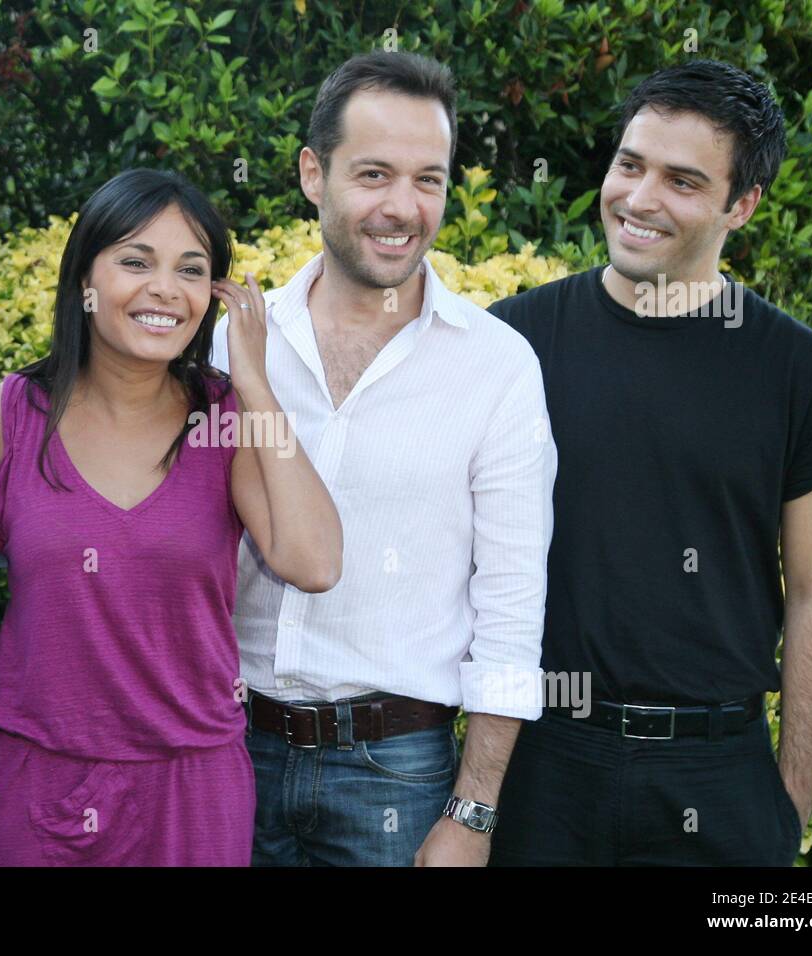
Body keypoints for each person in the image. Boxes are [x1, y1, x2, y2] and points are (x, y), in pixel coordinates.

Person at [487, 60, 812, 866]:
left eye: (684, 182)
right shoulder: (510, 344)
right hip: (545, 765)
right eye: (631, 164)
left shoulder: (801, 373)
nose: (640, 198)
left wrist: (785, 809)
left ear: (742, 205)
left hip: (719, 774)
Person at [211, 52, 557, 867]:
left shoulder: (497, 368)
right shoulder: (231, 342)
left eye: (428, 180)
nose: (402, 208)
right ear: (312, 173)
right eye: (373, 174)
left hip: (396, 773)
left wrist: (472, 814)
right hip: (228, 752)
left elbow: (510, 612)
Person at [0, 168, 342, 866]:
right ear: (85, 280)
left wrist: (254, 379)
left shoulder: (226, 420)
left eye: (191, 269)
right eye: (135, 261)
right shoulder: (11, 412)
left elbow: (314, 561)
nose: (165, 288)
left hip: (189, 789)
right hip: (31, 779)